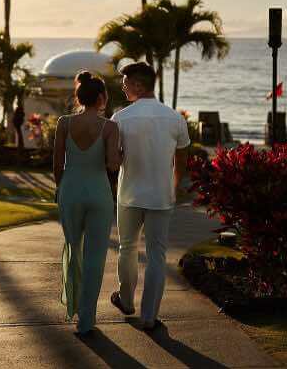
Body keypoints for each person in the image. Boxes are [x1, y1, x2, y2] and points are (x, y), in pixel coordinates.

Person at [109, 61, 190, 331]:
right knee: (157, 254)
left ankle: (127, 300)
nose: (122, 86)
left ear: (138, 85)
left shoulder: (120, 118)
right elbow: (181, 159)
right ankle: (148, 316)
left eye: (125, 82)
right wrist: (175, 186)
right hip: (160, 196)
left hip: (129, 194)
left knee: (127, 248)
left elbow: (113, 159)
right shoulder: (175, 118)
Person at [53, 70, 121, 336]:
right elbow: (113, 164)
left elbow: (58, 164)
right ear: (101, 97)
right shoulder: (109, 127)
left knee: (73, 250)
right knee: (95, 258)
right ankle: (86, 322)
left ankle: (75, 307)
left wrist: (61, 187)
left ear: (79, 96)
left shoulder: (64, 123)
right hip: (99, 193)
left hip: (70, 190)